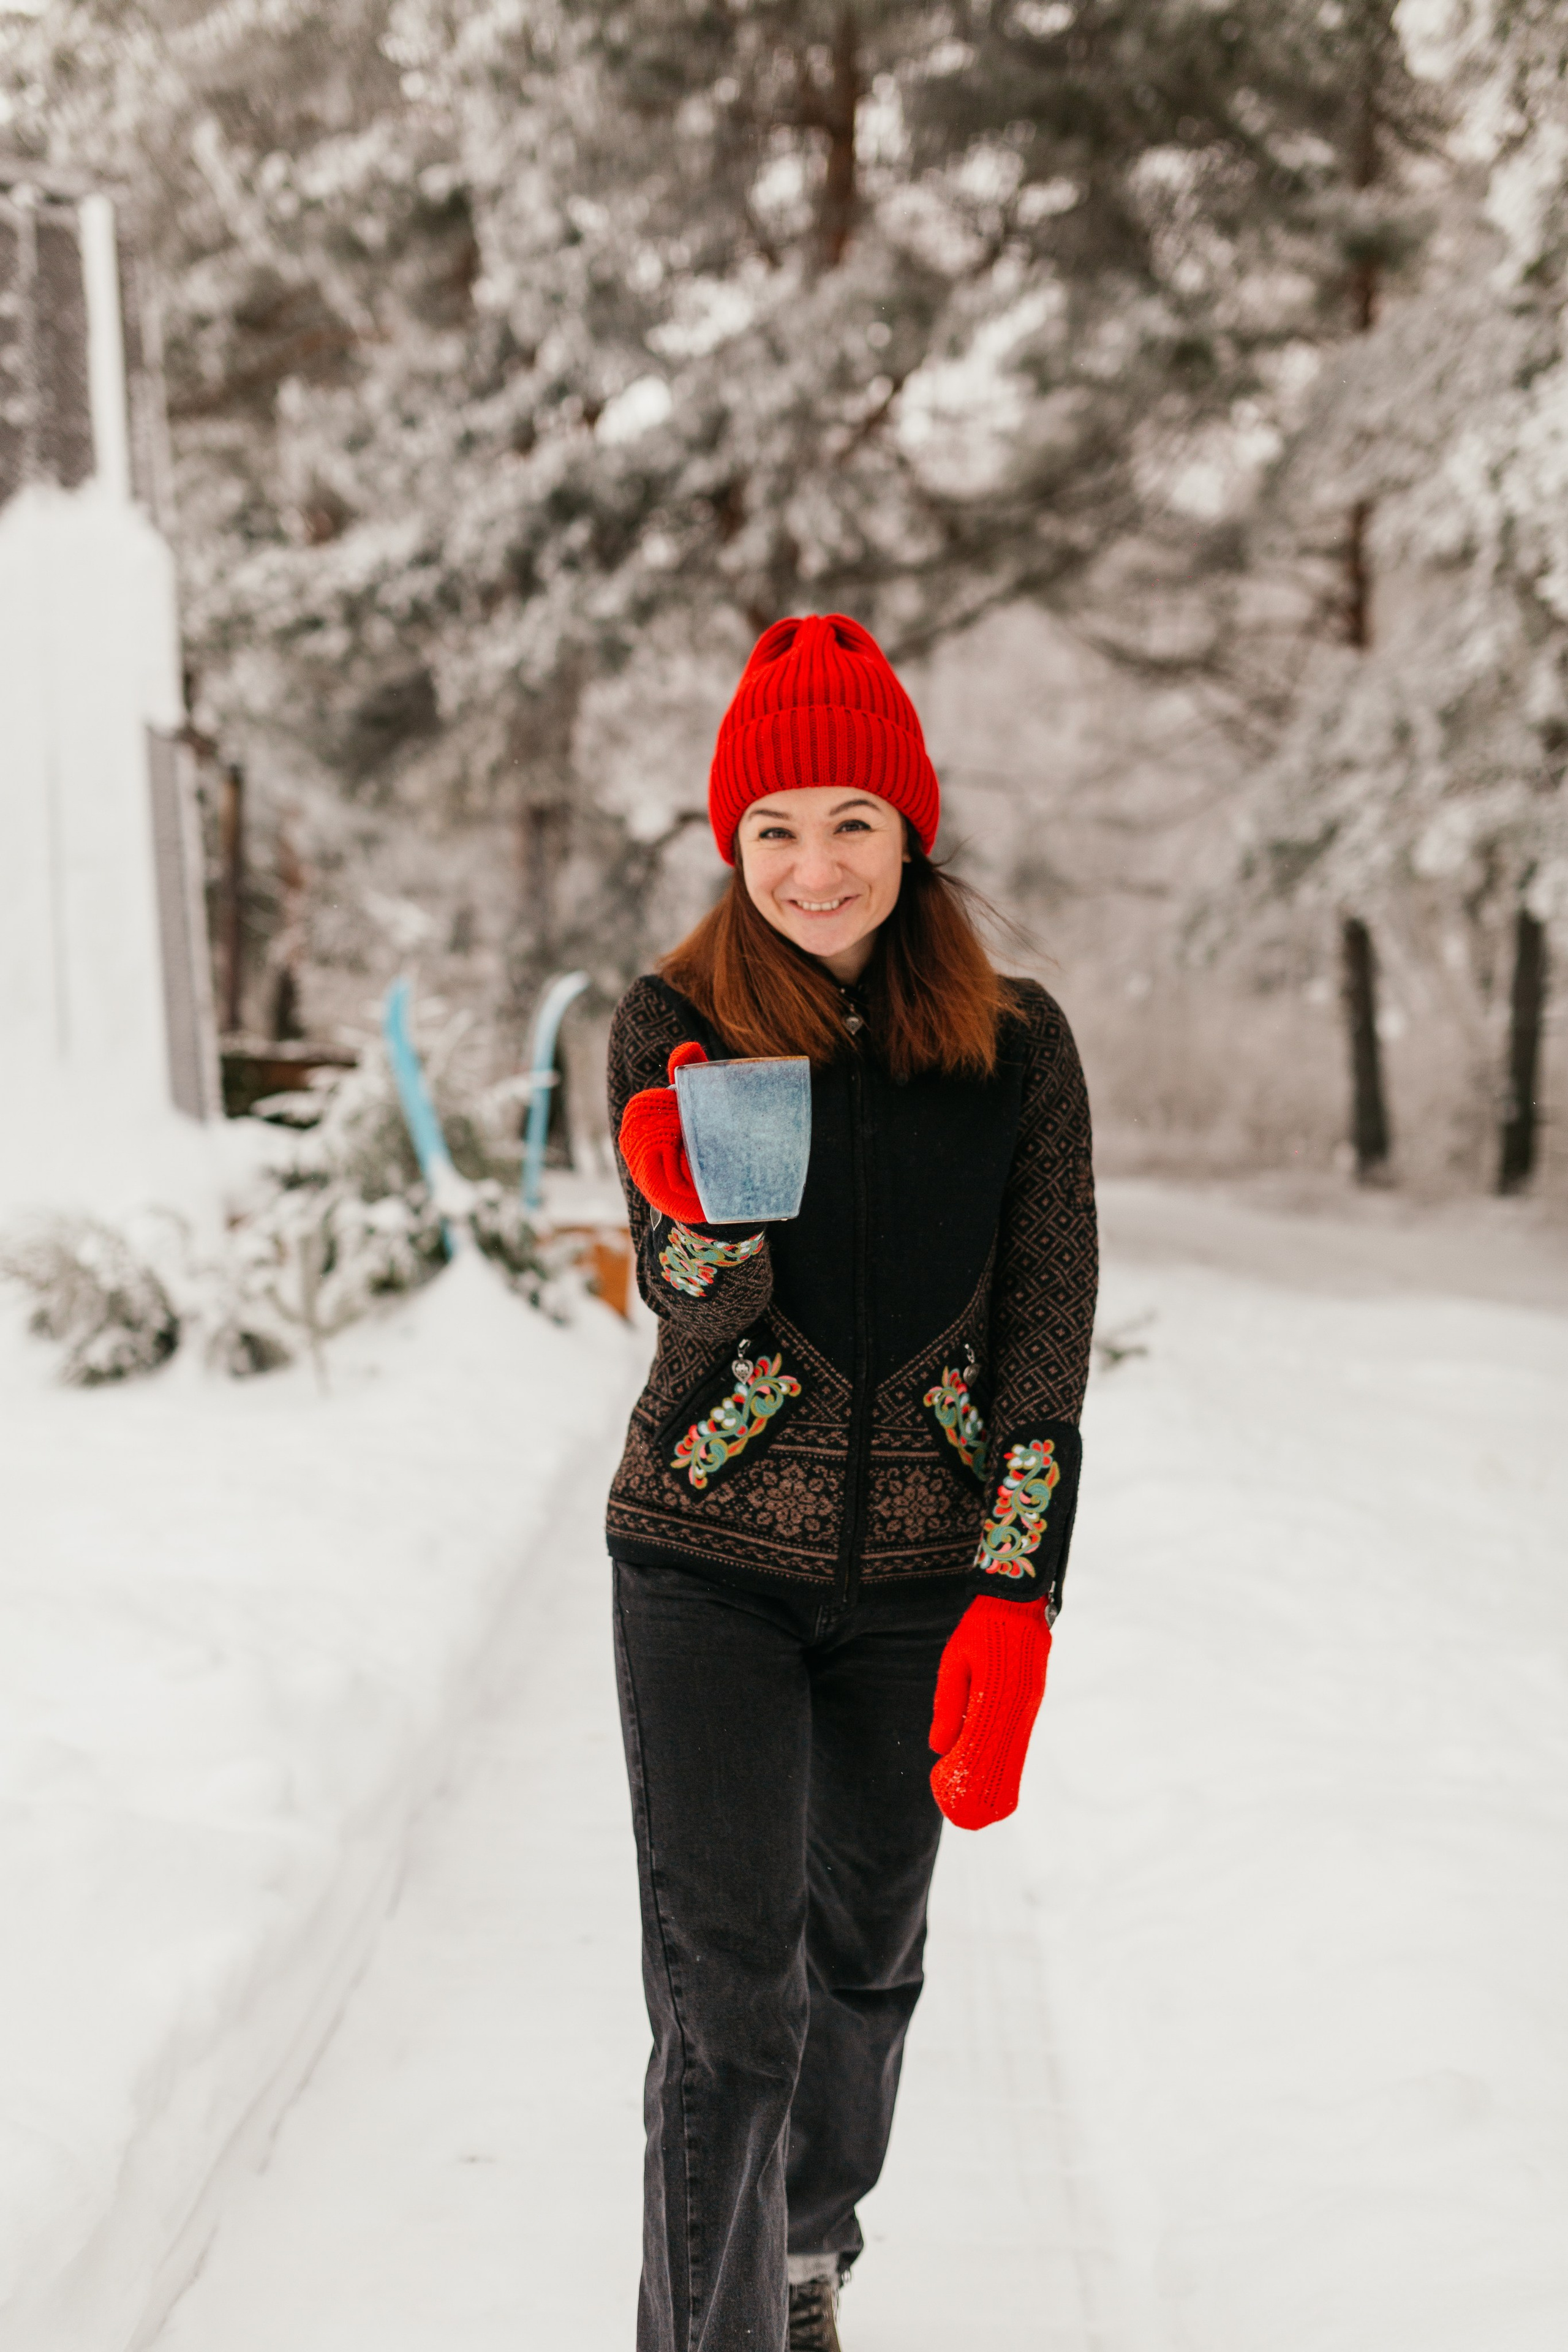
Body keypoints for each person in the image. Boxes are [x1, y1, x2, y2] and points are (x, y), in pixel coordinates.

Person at [606, 613, 1097, 2352]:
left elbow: (1045, 1346)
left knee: (862, 1977)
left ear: (912, 833)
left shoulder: (1018, 1052)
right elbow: (692, 1338)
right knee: (728, 2010)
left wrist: (1018, 1594)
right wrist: (698, 1226)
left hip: (916, 1589)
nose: (814, 869)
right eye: (774, 833)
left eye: (851, 823)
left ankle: (811, 2242)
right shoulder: (678, 1019)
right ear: (732, 849)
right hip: (706, 1567)